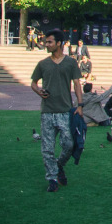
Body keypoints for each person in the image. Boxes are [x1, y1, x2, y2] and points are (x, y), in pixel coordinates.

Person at [31, 28, 83, 192]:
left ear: (59, 43)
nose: (46, 44)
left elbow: (77, 84)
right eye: (46, 42)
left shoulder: (71, 62)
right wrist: (39, 92)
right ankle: (52, 179)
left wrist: (80, 105)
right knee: (47, 148)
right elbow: (33, 83)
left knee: (68, 144)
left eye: (49, 42)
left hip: (65, 111)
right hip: (47, 112)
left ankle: (59, 165)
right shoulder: (43, 64)